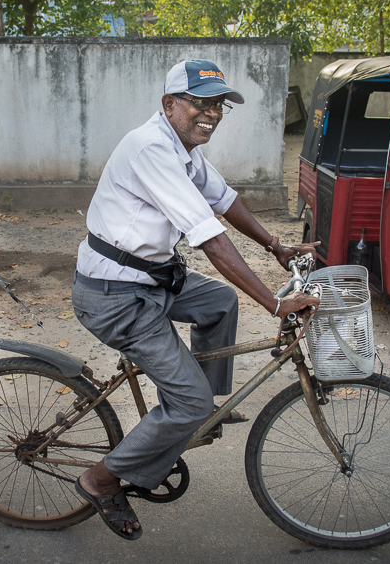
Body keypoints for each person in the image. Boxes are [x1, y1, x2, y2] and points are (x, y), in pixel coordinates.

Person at [71, 59, 320, 539]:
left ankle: (201, 408)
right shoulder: (150, 148)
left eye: (218, 105)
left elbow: (224, 201)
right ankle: (101, 480)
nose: (211, 114)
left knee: (219, 303)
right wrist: (274, 302)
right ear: (170, 105)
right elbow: (209, 235)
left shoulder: (183, 147)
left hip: (151, 279)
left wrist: (278, 246)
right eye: (199, 103)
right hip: (114, 295)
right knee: (186, 402)